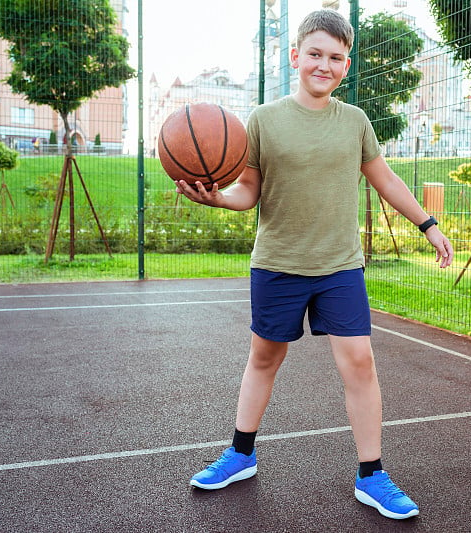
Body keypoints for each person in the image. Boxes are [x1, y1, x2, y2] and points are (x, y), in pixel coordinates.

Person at [176, 9, 453, 521]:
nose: (324, 65)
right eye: (316, 54)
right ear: (295, 56)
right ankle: (240, 454)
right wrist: (215, 200)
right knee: (265, 359)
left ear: (346, 65)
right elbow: (248, 193)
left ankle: (372, 475)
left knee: (361, 364)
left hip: (339, 267)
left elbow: (386, 180)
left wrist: (428, 224)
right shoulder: (263, 119)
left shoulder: (355, 122)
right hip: (278, 264)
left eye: (336, 58)